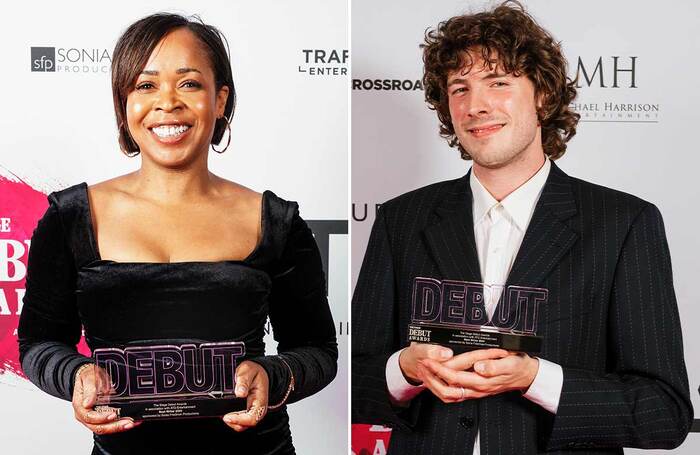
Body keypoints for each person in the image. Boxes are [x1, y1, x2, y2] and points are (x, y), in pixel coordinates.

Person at [351, 2, 692, 454]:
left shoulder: (622, 223)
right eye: (459, 88)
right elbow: (353, 384)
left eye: (498, 83)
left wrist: (537, 378)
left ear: (543, 95)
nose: (476, 105)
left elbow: (664, 413)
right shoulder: (403, 219)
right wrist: (406, 371)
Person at [18, 13, 337, 455]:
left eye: (189, 83)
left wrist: (272, 375)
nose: (167, 102)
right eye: (145, 85)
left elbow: (317, 350)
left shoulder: (275, 220)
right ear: (124, 103)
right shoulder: (70, 218)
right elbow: (38, 344)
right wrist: (76, 375)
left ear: (220, 99)